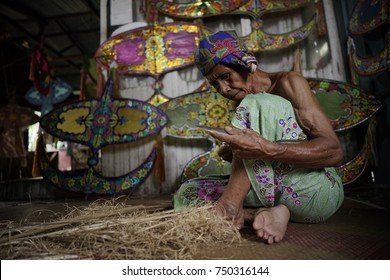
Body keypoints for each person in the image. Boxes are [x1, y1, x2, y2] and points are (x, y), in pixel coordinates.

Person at [173, 30, 344, 244]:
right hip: (273, 196)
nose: (223, 89)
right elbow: (253, 161)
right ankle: (263, 214)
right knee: (186, 194)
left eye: (225, 77)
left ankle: (231, 207)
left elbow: (334, 152)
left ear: (247, 62)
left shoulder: (289, 83)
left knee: (259, 102)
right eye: (215, 84)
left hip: (313, 192)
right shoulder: (242, 102)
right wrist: (233, 150)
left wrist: (269, 149)